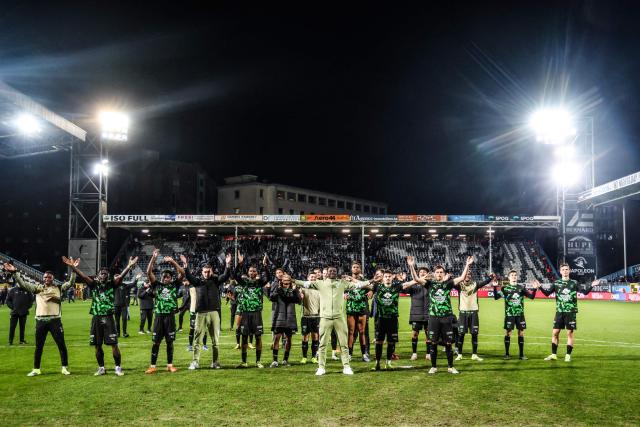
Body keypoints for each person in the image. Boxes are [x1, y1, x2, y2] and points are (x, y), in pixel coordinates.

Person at [66, 255, 138, 376]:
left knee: (114, 344)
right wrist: (73, 267)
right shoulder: (93, 284)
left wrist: (129, 266)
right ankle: (101, 368)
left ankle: (118, 367)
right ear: (98, 275)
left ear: (108, 276)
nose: (103, 275)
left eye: (105, 274)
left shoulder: (112, 284)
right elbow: (83, 276)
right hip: (96, 318)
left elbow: (121, 277)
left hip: (109, 317)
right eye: (101, 273)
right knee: (97, 345)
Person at [4, 259, 76, 376]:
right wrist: (15, 272)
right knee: (39, 347)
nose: (46, 279)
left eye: (49, 277)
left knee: (61, 345)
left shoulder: (59, 288)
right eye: (45, 277)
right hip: (40, 321)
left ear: (53, 278)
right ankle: (36, 369)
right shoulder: (37, 288)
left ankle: (64, 367)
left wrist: (73, 269)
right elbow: (23, 283)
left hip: (55, 321)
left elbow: (71, 283)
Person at [294, 266, 369, 376]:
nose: (332, 272)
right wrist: (293, 280)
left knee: (344, 344)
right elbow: (305, 283)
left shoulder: (342, 283)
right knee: (322, 344)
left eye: (334, 271)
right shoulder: (320, 283)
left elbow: (358, 285)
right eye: (330, 271)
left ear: (336, 272)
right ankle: (321, 367)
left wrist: (371, 281)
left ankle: (346, 366)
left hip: (339, 318)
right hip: (325, 318)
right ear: (327, 273)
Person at [408, 255, 473, 374]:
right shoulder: (430, 284)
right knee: (432, 342)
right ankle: (433, 366)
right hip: (433, 318)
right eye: (437, 272)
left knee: (448, 343)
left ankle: (450, 366)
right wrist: (411, 266)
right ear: (434, 273)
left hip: (446, 318)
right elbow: (416, 279)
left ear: (443, 274)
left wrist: (467, 264)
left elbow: (462, 277)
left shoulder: (448, 284)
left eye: (441, 272)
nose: (439, 274)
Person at [540, 263, 600, 362]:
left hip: (571, 312)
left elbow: (584, 292)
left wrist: (592, 285)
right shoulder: (556, 283)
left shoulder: (574, 283)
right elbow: (547, 293)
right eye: (563, 269)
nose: (565, 271)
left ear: (569, 270)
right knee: (555, 333)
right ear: (560, 271)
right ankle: (554, 354)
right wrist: (540, 287)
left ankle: (568, 355)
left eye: (566, 269)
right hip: (559, 312)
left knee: (569, 334)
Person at [182, 252, 231, 370]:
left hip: (214, 312)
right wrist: (185, 266)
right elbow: (188, 276)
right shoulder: (197, 282)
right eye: (205, 271)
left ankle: (215, 362)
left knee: (215, 340)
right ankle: (195, 362)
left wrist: (228, 265)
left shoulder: (216, 280)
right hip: (201, 313)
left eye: (209, 271)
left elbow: (225, 276)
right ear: (202, 272)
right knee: (197, 339)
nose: (207, 273)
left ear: (212, 271)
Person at [143, 250, 184, 374]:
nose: (166, 278)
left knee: (169, 342)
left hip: (170, 317)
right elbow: (148, 272)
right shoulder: (156, 285)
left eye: (168, 276)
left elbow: (182, 273)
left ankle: (170, 365)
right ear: (161, 277)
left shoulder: (174, 285)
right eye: (164, 276)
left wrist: (172, 261)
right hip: (159, 317)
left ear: (171, 278)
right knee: (156, 342)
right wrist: (153, 259)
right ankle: (153, 366)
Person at [233, 253, 271, 369]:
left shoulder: (259, 283)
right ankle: (244, 362)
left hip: (256, 314)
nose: (252, 273)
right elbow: (235, 275)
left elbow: (268, 278)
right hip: (245, 313)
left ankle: (258, 361)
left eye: (254, 271)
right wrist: (239, 264)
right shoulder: (244, 283)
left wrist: (265, 266)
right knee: (244, 337)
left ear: (256, 273)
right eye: (250, 271)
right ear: (248, 273)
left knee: (258, 337)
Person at [492, 270, 540, 360]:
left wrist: (534, 289)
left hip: (520, 314)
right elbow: (496, 297)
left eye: (515, 275)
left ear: (516, 277)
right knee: (508, 333)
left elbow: (531, 297)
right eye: (512, 275)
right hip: (509, 314)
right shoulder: (505, 288)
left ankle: (521, 355)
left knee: (521, 333)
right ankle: (506, 354)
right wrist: (495, 287)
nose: (514, 276)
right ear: (509, 277)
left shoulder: (521, 288)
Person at [371, 270, 412, 371]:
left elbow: (409, 283)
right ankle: (377, 363)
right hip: (380, 319)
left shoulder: (396, 287)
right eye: (386, 276)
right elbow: (363, 285)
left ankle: (388, 363)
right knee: (379, 342)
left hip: (392, 319)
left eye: (389, 276)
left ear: (392, 277)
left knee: (391, 342)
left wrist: (421, 279)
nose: (388, 278)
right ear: (383, 278)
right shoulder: (377, 287)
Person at [455, 271, 496, 361]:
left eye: (469, 275)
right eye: (466, 275)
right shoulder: (459, 286)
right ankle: (459, 354)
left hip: (474, 313)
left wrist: (490, 277)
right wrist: (448, 278)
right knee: (461, 334)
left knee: (474, 334)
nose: (467, 276)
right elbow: (450, 283)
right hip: (463, 313)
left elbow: (485, 282)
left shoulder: (475, 285)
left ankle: (474, 354)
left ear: (471, 276)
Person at [269, 273, 301, 367]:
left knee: (289, 339)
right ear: (281, 282)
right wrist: (277, 289)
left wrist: (296, 291)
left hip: (290, 318)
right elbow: (271, 297)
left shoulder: (293, 290)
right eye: (284, 282)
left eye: (288, 282)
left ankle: (285, 360)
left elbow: (298, 301)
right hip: (279, 317)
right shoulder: (278, 289)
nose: (286, 284)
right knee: (277, 338)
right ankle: (275, 361)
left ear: (290, 282)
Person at [403, 266, 431, 361]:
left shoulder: (430, 285)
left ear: (427, 274)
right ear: (418, 274)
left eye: (424, 272)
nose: (422, 273)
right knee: (414, 334)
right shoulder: (414, 285)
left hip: (428, 313)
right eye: (420, 272)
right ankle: (414, 353)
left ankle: (428, 353)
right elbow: (404, 289)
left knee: (428, 335)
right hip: (416, 313)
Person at [346, 262, 371, 362]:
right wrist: (344, 293)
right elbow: (341, 289)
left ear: (360, 269)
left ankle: (364, 354)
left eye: (357, 267)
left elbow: (372, 287)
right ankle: (349, 354)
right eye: (354, 267)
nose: (355, 268)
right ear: (351, 269)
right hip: (351, 308)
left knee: (362, 332)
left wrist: (371, 291)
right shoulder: (346, 280)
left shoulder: (365, 280)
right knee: (351, 332)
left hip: (362, 308)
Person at [299, 271, 320, 364]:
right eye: (311, 277)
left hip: (316, 316)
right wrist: (299, 295)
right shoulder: (303, 288)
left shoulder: (319, 289)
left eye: (314, 278)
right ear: (308, 278)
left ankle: (314, 357)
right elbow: (298, 299)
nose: (313, 279)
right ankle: (304, 357)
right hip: (305, 316)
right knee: (305, 337)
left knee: (315, 337)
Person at [7, 281, 34, 345]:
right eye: (18, 282)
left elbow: (31, 300)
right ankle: (10, 341)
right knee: (12, 327)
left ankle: (21, 341)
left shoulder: (27, 290)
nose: (20, 283)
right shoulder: (12, 290)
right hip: (14, 312)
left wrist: (27, 307)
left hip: (23, 312)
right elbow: (8, 300)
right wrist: (12, 307)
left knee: (22, 328)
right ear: (17, 283)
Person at [114, 273, 140, 338]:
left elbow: (133, 284)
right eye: (116, 278)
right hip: (116, 305)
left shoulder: (124, 285)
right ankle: (118, 333)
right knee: (117, 320)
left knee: (124, 319)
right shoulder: (112, 286)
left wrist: (136, 279)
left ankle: (124, 333)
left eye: (118, 277)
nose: (117, 279)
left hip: (124, 305)